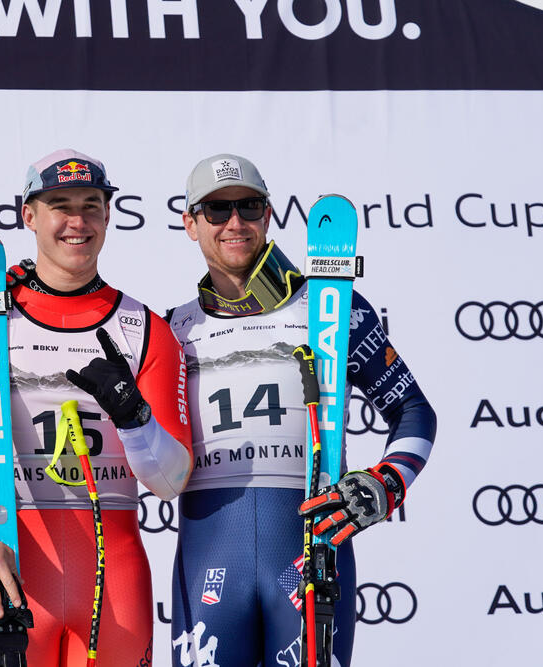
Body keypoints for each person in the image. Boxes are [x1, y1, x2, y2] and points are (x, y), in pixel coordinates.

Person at [0, 149, 193, 666]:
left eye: (92, 205)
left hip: (116, 580)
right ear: (29, 216)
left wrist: (135, 421)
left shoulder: (147, 328)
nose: (77, 221)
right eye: (59, 205)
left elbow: (170, 481)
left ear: (109, 214)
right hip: (11, 564)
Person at [166, 154, 437, 667]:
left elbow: (413, 411)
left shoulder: (332, 306)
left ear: (268, 214)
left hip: (310, 552)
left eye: (248, 206)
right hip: (209, 561)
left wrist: (388, 480)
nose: (235, 222)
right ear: (190, 223)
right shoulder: (172, 329)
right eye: (217, 210)